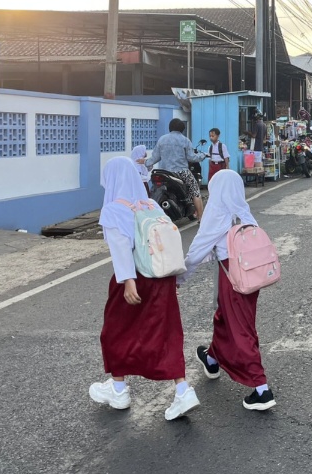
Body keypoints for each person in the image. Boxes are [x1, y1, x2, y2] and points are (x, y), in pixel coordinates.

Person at [89, 156, 200, 421]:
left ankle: (118, 388)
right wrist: (176, 276)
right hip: (162, 277)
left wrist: (128, 280)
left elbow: (120, 248)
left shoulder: (114, 209)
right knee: (167, 332)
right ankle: (182, 390)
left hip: (135, 279)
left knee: (116, 331)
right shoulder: (150, 204)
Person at [178, 169, 277, 411]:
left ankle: (261, 389)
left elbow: (199, 248)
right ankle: (212, 359)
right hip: (251, 277)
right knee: (226, 318)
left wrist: (179, 277)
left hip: (231, 278)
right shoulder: (243, 211)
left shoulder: (217, 212)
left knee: (240, 328)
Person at [145, 118, 205, 220]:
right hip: (181, 172)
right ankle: (201, 218)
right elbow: (191, 157)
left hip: (164, 172)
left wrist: (146, 162)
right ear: (182, 129)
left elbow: (155, 157)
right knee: (195, 191)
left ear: (170, 127)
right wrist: (202, 156)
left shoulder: (162, 139)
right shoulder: (185, 140)